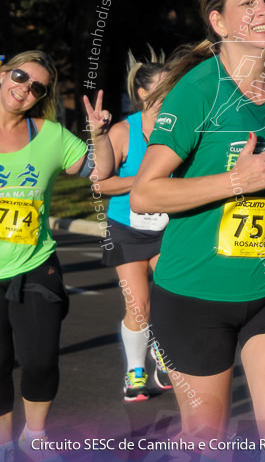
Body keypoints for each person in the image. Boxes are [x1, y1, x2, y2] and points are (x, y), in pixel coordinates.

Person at [130, 0, 265, 445]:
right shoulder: (196, 91)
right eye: (248, 3)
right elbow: (144, 193)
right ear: (218, 22)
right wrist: (234, 182)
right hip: (195, 292)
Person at [0, 51, 113, 459]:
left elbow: (99, 172)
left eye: (36, 87)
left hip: (35, 263)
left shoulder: (49, 135)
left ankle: (35, 436)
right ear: (2, 73)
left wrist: (98, 134)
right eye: (19, 76)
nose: (24, 89)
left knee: (40, 359)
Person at [93, 49, 172, 402]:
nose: (172, 91)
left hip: (170, 226)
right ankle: (135, 370)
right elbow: (101, 184)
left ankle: (162, 349)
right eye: (164, 86)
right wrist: (144, 180)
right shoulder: (124, 131)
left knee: (176, 297)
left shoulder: (179, 128)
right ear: (142, 93)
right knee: (139, 305)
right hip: (127, 228)